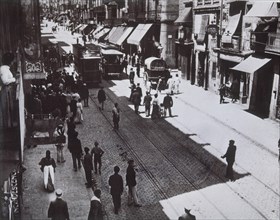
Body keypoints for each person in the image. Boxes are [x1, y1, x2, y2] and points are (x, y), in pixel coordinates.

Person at [0, 52, 17, 128]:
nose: (13, 62)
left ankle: (8, 125)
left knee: (8, 108)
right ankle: (6, 126)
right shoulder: (3, 69)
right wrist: (14, 79)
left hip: (7, 90)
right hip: (5, 90)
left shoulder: (6, 69)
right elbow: (5, 81)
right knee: (5, 108)